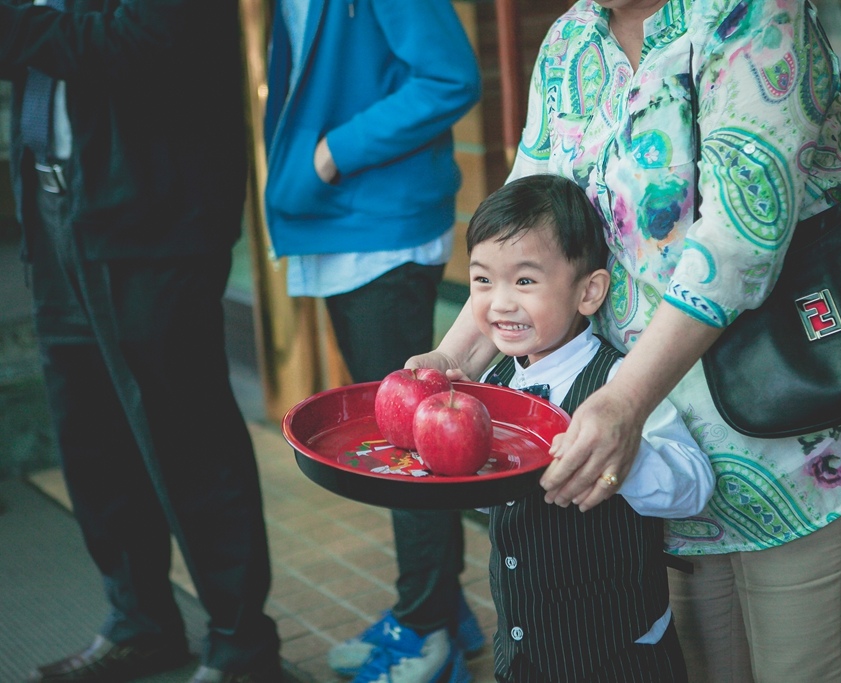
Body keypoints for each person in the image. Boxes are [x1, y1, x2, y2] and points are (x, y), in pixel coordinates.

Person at [408, 1, 841, 681]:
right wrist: (453, 362)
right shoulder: (571, 40)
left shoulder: (751, 13)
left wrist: (623, 400)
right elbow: (524, 233)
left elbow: (742, 238)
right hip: (662, 462)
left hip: (798, 444)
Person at [1, 1, 281, 682]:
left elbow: (147, 41)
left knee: (187, 435)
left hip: (151, 215)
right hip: (55, 204)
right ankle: (140, 622)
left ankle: (242, 645)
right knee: (90, 436)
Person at [260, 1, 483, 682]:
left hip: (380, 226)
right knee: (401, 441)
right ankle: (441, 609)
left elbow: (450, 77)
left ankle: (427, 634)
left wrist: (332, 153)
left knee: (408, 447)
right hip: (347, 222)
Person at [459, 174, 715, 683]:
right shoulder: (493, 382)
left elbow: (694, 488)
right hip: (525, 650)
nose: (501, 302)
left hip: (620, 655)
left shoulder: (619, 385)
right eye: (483, 280)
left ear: (589, 291)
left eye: (525, 281)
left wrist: (624, 453)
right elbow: (492, 501)